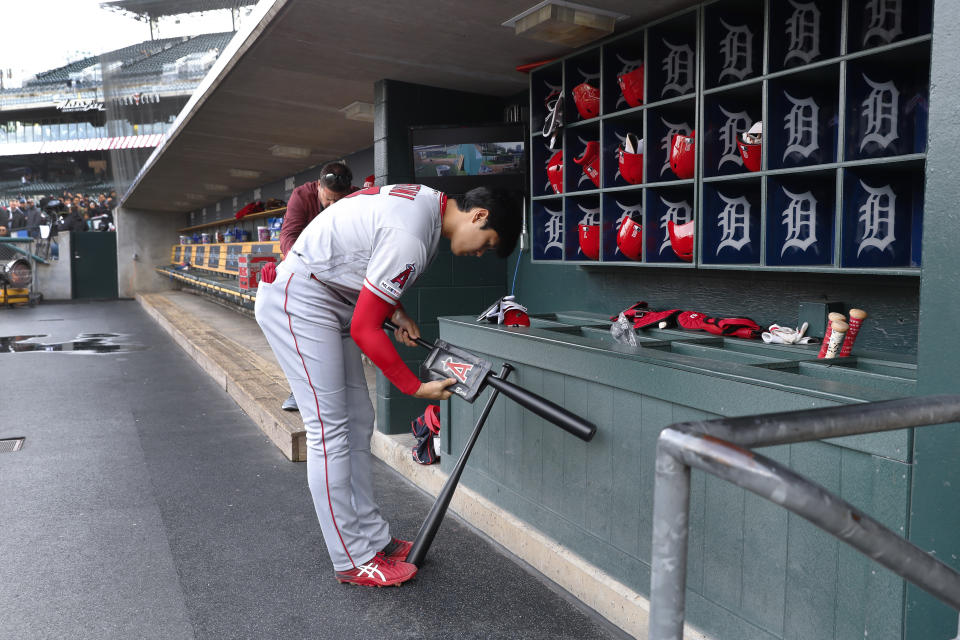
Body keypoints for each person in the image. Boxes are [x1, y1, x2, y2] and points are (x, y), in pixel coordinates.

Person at [254, 184, 521, 587]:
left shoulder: (428, 206)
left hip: (327, 297)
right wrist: (414, 387)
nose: (480, 252)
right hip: (303, 300)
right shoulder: (415, 233)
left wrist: (394, 312)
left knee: (359, 420)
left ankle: (371, 539)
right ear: (478, 215)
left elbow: (365, 254)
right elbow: (365, 328)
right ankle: (352, 558)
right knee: (330, 432)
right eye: (487, 243)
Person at [277, 161, 355, 412]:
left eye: (338, 201)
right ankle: (299, 391)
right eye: (328, 199)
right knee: (300, 331)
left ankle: (331, 389)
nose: (332, 206)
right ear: (319, 187)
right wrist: (300, 269)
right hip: (304, 266)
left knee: (335, 334)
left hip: (337, 271)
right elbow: (288, 236)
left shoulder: (354, 198)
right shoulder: (302, 195)